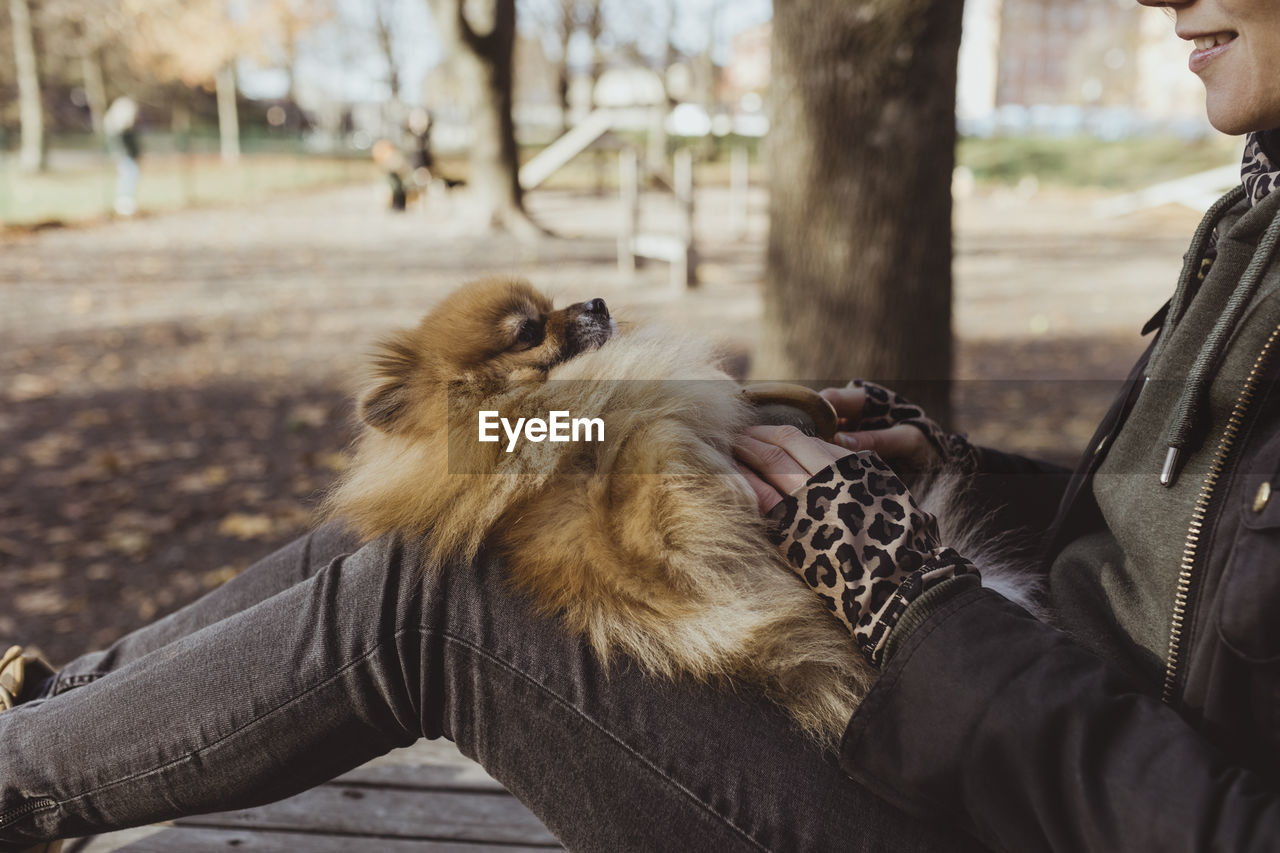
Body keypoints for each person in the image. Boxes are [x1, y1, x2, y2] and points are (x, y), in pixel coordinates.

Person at [3, 0, 1280, 849]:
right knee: (413, 530)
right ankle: (48, 711)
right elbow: (1174, 565)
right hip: (988, 717)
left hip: (994, 785)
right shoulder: (1254, 217)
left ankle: (22, 774)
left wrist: (919, 612)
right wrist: (959, 471)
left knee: (427, 595)